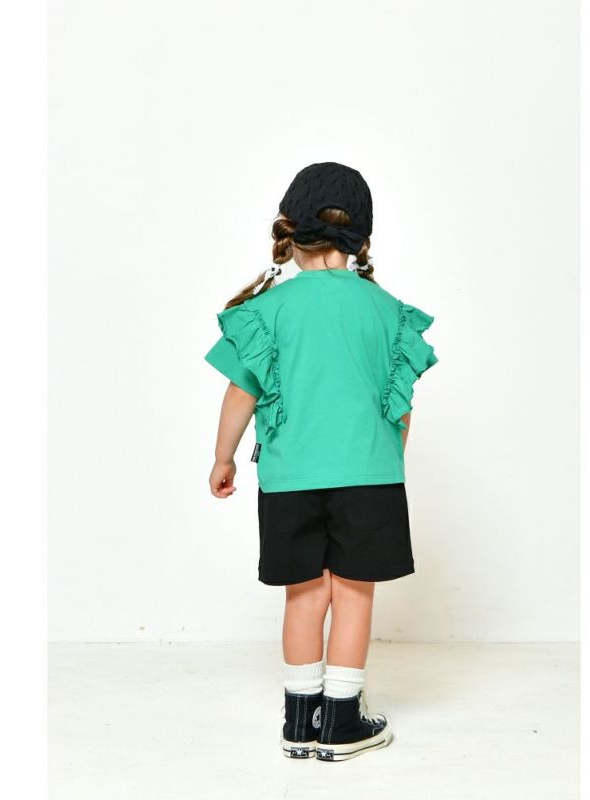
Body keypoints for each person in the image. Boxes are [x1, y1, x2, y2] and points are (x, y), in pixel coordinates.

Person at [204, 162, 438, 761]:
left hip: (290, 478)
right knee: (354, 594)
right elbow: (401, 406)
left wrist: (224, 457)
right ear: (361, 237)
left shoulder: (268, 309)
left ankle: (299, 720)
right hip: (370, 477)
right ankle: (341, 720)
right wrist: (386, 462)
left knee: (304, 595)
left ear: (291, 231)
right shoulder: (387, 310)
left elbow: (240, 392)